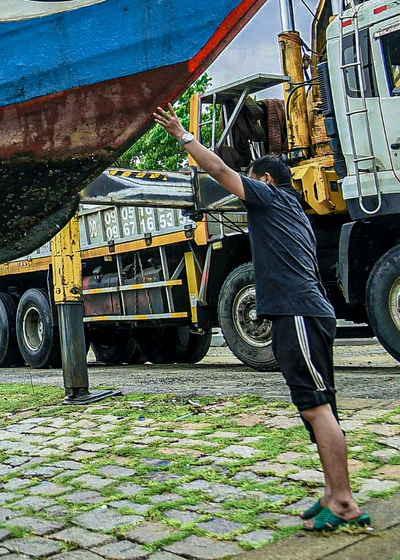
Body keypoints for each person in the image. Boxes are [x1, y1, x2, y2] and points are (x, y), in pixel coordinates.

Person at [151, 107, 369, 532]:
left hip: (298, 313)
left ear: (264, 180)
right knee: (320, 406)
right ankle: (332, 492)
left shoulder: (269, 197)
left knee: (316, 407)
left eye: (251, 180)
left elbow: (216, 168)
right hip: (308, 312)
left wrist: (182, 134)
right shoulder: (293, 210)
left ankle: (343, 501)